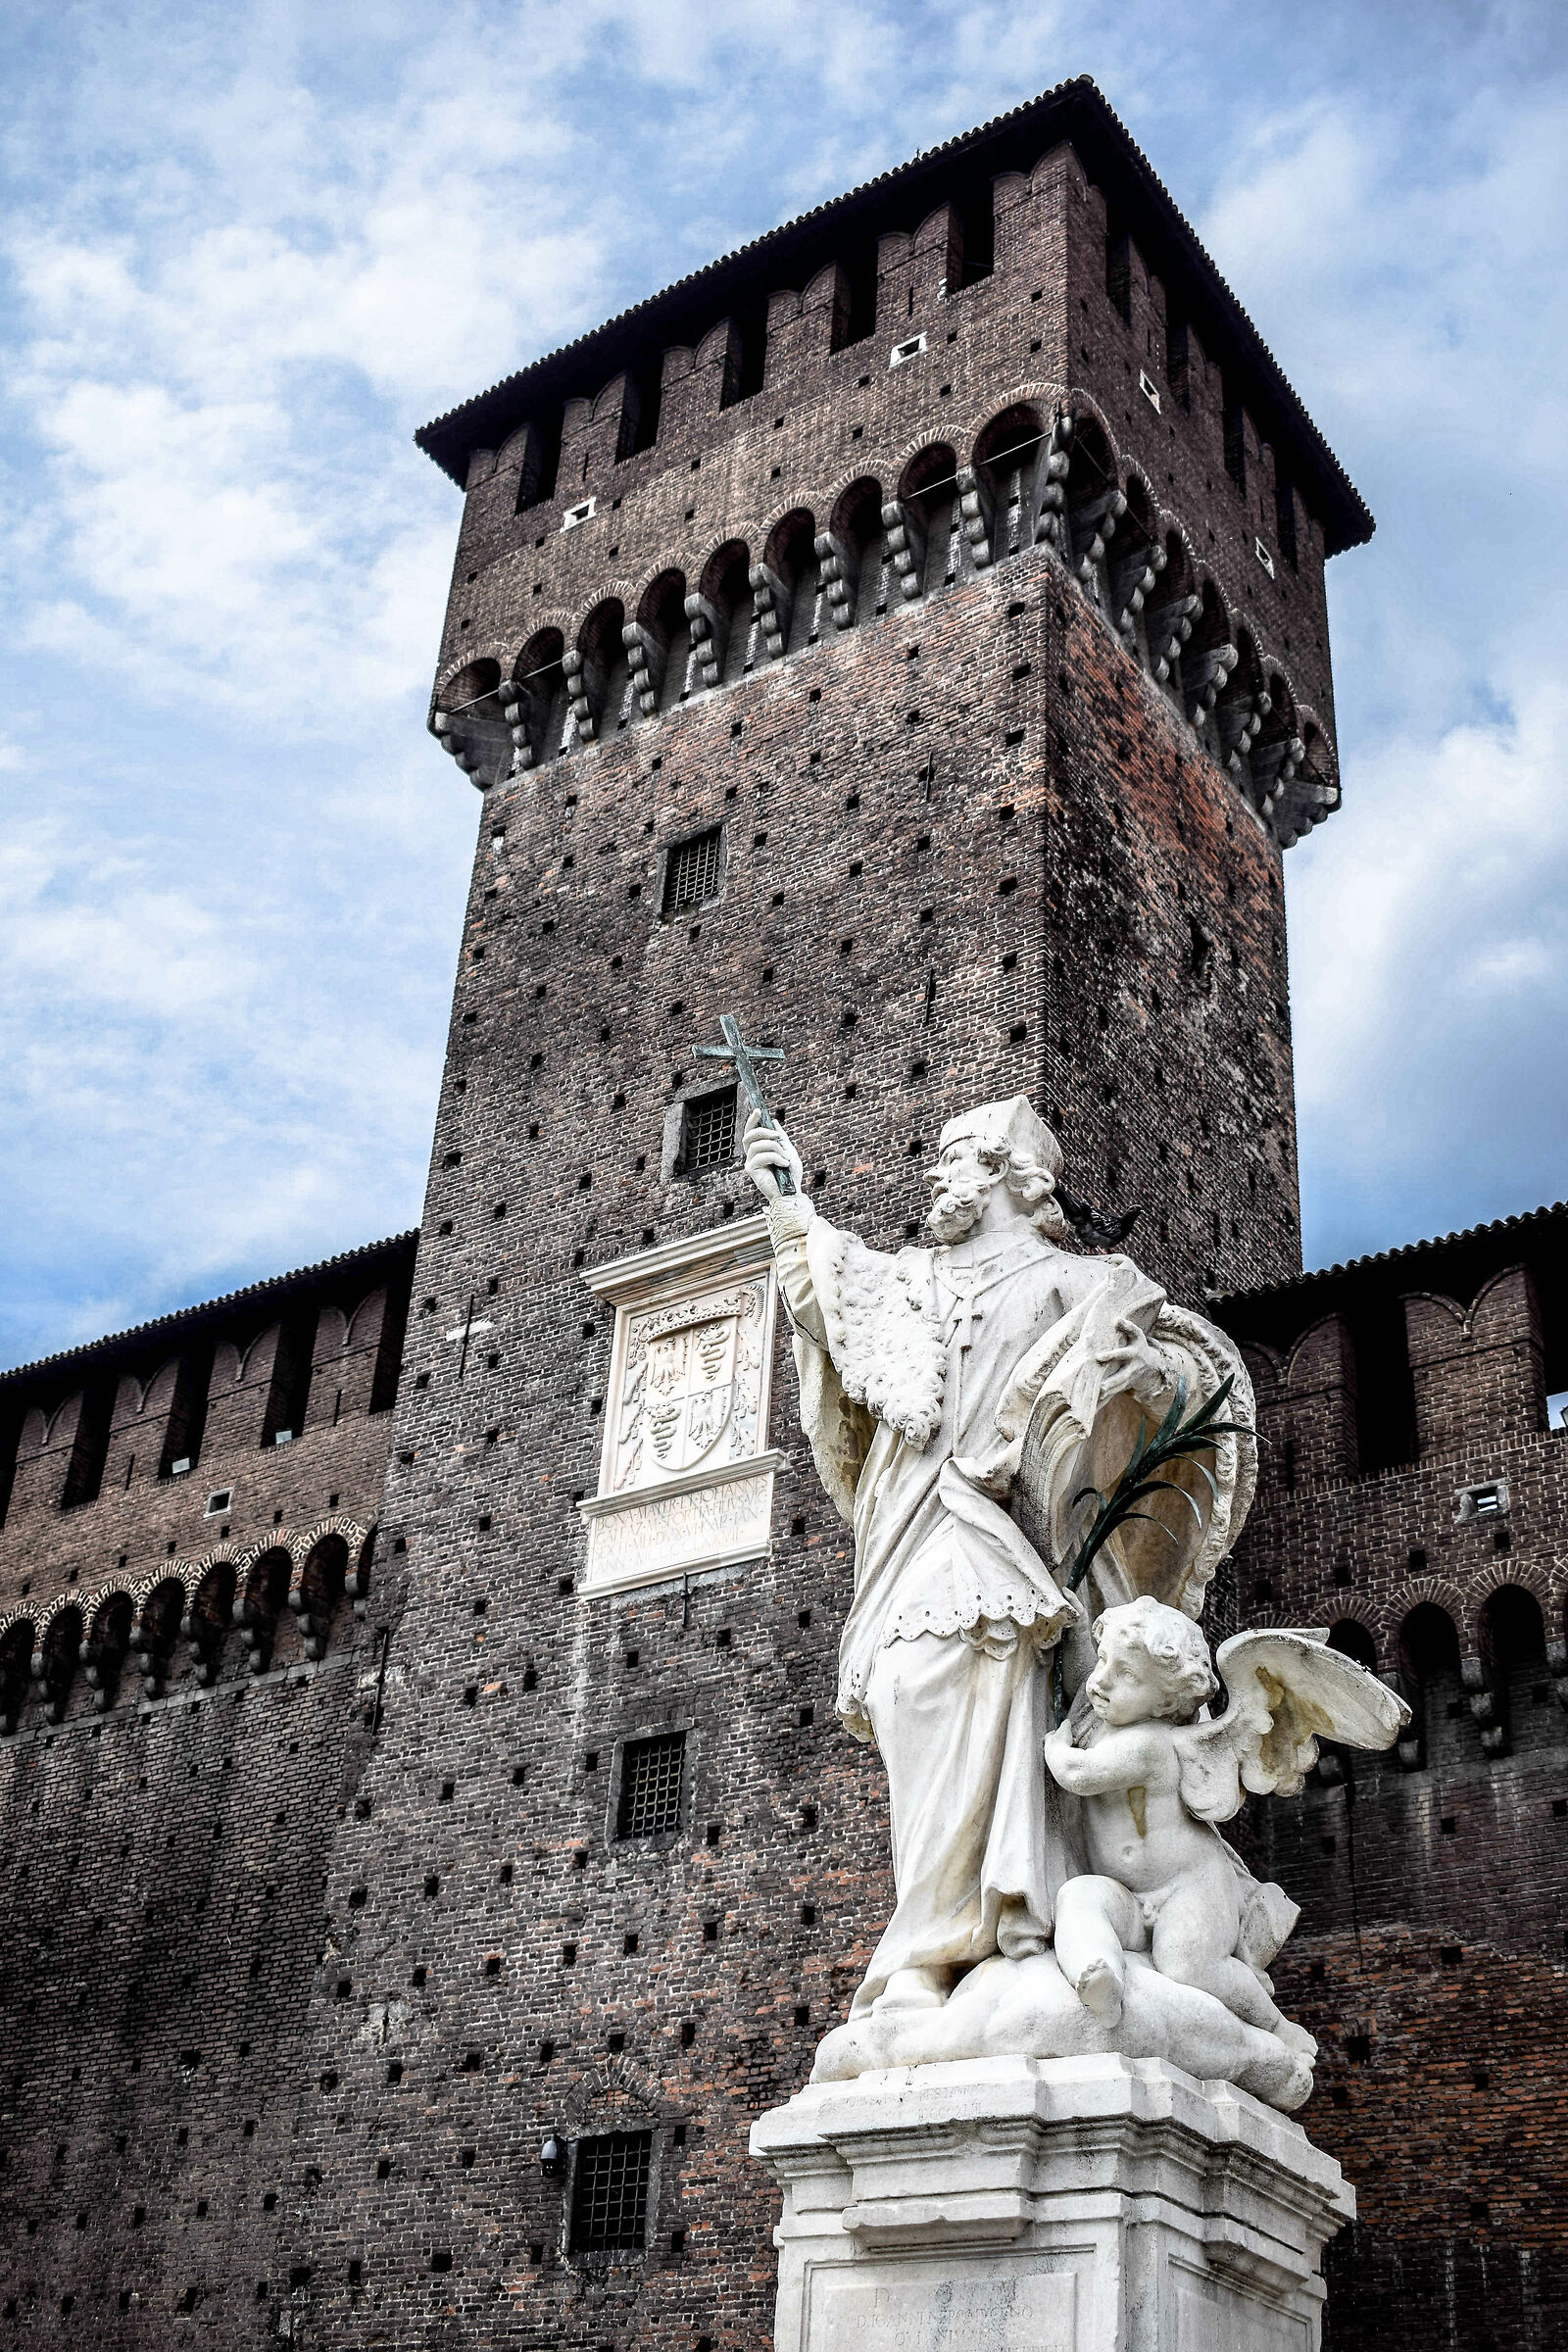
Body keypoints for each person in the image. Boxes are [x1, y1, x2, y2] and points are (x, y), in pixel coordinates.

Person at [742, 1094, 1248, 2018]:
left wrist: (1100, 1386)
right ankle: (938, 1936)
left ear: (1015, 1178)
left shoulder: (1076, 1283)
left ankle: (946, 1952)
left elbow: (1154, 1383)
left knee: (965, 1686)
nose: (935, 1173)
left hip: (1005, 1539)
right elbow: (829, 1295)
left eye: (955, 1157)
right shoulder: (909, 1280)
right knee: (906, 1698)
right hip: (909, 1525)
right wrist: (786, 1202)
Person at [1044, 1596, 1308, 2049]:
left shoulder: (1153, 1744)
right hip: (1131, 1894)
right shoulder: (1100, 1718)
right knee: (1079, 1898)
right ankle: (1098, 1975)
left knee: (1189, 1965)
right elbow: (1079, 1668)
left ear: (1167, 1700)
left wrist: (1054, 1743)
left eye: (1125, 1675)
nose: (1100, 1680)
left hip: (1190, 1890)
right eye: (1103, 1660)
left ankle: (1275, 2026)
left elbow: (1078, 1775)